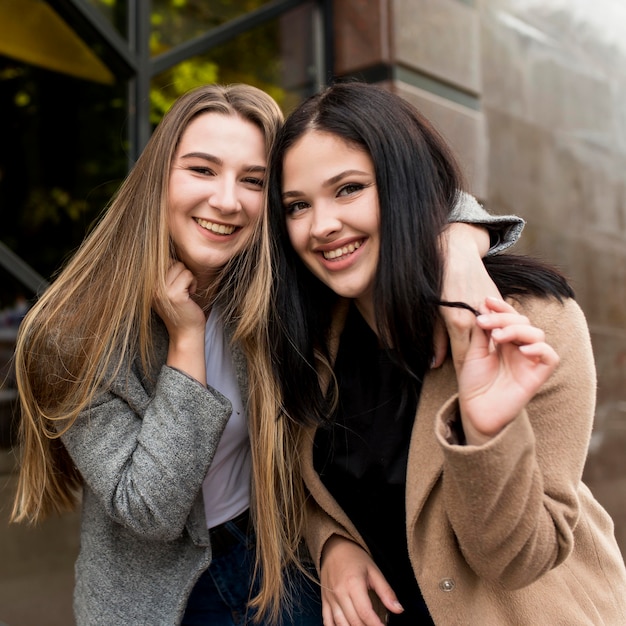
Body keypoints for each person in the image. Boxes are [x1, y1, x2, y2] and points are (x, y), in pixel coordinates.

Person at [8, 83, 523, 625]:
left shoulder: (280, 283)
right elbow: (152, 510)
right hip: (158, 594)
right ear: (157, 181)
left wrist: (459, 244)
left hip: (279, 553)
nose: (227, 200)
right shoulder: (73, 337)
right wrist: (186, 344)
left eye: (252, 181)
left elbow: (405, 194)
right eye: (202, 170)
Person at [264, 81, 626, 625]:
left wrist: (487, 432)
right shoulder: (311, 341)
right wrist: (332, 543)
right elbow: (297, 485)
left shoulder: (529, 321)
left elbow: (520, 559)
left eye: (348, 189)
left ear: (404, 185)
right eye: (297, 206)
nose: (322, 226)